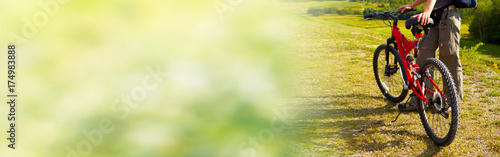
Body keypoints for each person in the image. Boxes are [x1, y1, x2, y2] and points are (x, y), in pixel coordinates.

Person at [398, 0, 463, 111]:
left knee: (449, 59)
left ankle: (451, 101)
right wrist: (412, 5)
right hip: (435, 16)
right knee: (423, 55)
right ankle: (421, 99)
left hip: (448, 15)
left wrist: (426, 11)